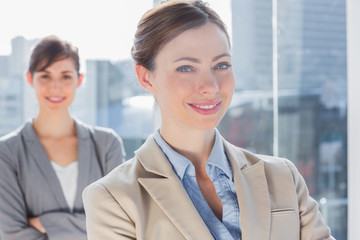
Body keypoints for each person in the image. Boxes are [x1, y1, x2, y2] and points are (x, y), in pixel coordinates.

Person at [82, 1, 334, 239]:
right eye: (185, 68)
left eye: (221, 65)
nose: (210, 86)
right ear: (147, 78)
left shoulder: (282, 177)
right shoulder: (113, 198)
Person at [0, 36, 126, 240]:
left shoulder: (106, 145)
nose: (55, 87)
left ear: (80, 80)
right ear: (30, 79)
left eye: (66, 76)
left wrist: (47, 222)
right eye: (45, 76)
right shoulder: (7, 152)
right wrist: (89, 225)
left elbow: (118, 226)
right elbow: (13, 235)